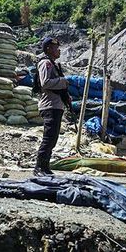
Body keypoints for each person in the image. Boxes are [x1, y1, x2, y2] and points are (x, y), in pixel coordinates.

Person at [34, 37, 69, 176]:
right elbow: (45, 83)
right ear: (48, 48)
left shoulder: (53, 64)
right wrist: (63, 81)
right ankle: (39, 167)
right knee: (48, 138)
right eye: (55, 47)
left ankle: (45, 167)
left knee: (53, 139)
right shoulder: (46, 63)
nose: (58, 50)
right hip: (49, 105)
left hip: (55, 105)